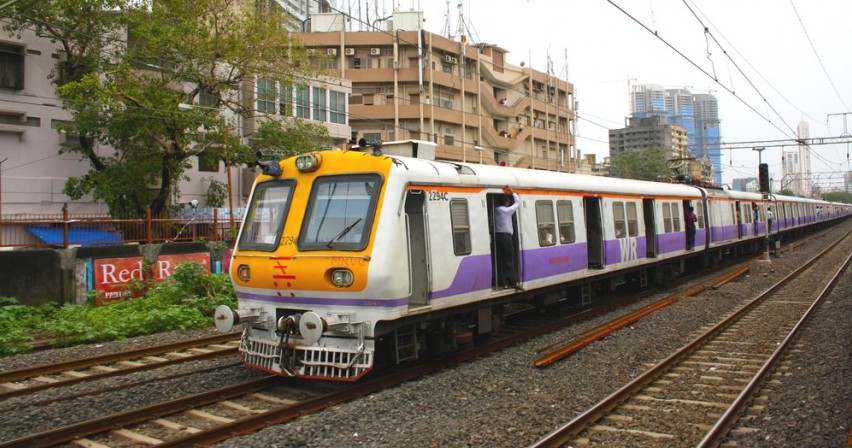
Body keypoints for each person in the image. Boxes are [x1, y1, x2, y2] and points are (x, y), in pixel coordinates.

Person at [495, 186, 522, 290]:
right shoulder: (507, 211)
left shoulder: (496, 210)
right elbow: (517, 202)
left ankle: (504, 282)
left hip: (498, 237)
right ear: (506, 203)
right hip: (506, 238)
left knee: (501, 260)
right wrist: (513, 193)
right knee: (509, 260)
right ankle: (513, 282)